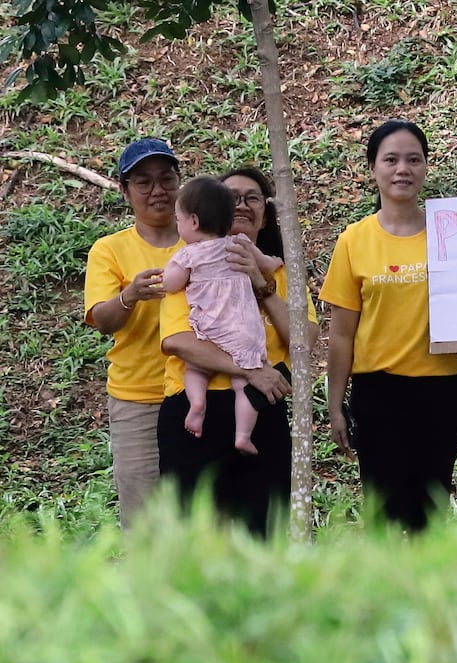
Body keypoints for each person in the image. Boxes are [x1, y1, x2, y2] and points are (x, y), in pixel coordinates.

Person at [323, 119, 457, 531]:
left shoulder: (454, 233)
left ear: (426, 167)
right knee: (385, 508)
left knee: (430, 507)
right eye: (390, 160)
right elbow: (341, 334)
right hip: (379, 394)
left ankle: (427, 591)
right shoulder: (354, 241)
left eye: (413, 159)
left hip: (442, 390)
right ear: (373, 168)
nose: (402, 169)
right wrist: (334, 404)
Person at [158, 166, 301, 535]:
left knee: (266, 533)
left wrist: (261, 283)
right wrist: (250, 369)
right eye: (231, 197)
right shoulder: (191, 264)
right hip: (195, 422)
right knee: (195, 539)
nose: (241, 205)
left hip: (262, 409)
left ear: (265, 212)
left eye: (252, 197)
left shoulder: (281, 274)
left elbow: (303, 341)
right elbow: (177, 341)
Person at [83, 137, 182, 527]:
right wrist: (130, 295)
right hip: (138, 398)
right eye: (143, 182)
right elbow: (103, 320)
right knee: (143, 516)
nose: (157, 191)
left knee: (203, 510)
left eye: (166, 179)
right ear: (125, 191)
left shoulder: (203, 242)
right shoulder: (109, 250)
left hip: (206, 394)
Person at [164, 176, 269, 455]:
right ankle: (243, 435)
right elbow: (266, 263)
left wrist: (168, 273)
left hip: (210, 328)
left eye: (179, 219)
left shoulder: (189, 255)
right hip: (243, 328)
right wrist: (275, 263)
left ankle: (197, 404)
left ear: (194, 222)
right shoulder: (240, 243)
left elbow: (171, 284)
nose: (178, 225)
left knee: (196, 368)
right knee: (243, 385)